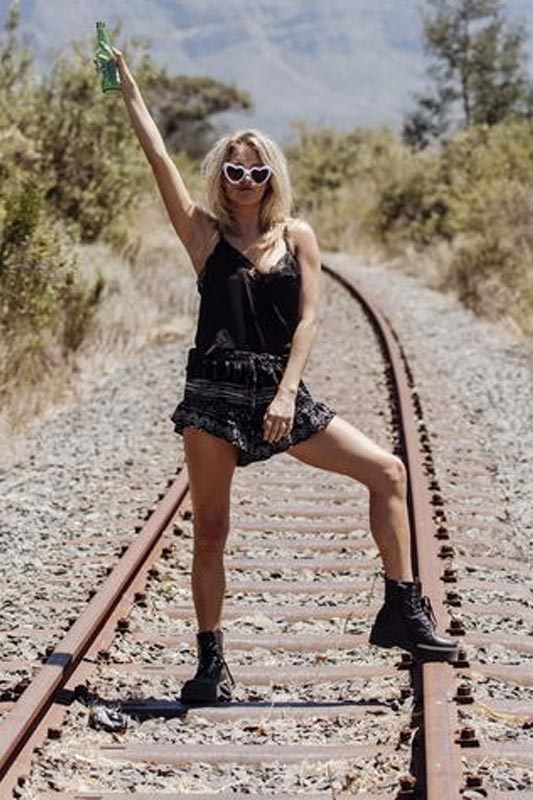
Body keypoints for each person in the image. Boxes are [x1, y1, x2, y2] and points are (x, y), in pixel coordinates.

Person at [99, 43, 458, 704]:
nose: (243, 180)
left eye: (255, 170)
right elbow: (157, 157)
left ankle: (401, 609)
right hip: (212, 393)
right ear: (222, 176)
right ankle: (212, 666)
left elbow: (310, 320)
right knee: (210, 531)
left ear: (271, 176)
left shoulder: (298, 235)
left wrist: (289, 392)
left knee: (386, 472)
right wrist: (127, 88)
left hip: (277, 390)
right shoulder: (203, 235)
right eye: (233, 170)